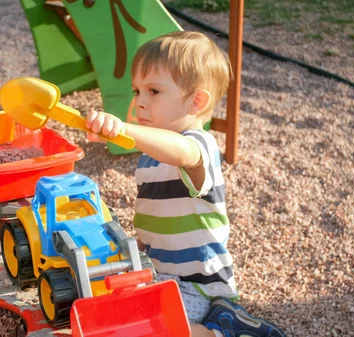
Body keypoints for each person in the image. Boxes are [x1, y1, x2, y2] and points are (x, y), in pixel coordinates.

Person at [85, 31, 286, 337]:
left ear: (196, 102)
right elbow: (157, 222)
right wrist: (135, 251)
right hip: (163, 275)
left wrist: (122, 129)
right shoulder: (149, 159)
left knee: (156, 328)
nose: (139, 102)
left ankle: (224, 330)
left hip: (198, 286)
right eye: (136, 91)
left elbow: (181, 153)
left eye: (153, 91)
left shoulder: (198, 145)